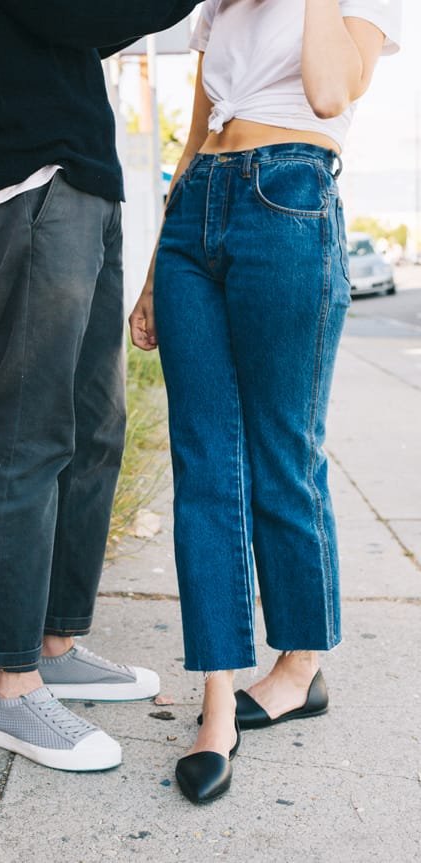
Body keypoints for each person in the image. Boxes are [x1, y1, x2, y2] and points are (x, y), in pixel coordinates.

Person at [0, 0, 200, 773]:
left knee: (94, 428)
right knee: (27, 431)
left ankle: (54, 641)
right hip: (26, 170)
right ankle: (10, 682)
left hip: (77, 171)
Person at [130, 0, 401, 803]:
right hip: (195, 218)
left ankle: (300, 665)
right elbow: (194, 138)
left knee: (284, 454)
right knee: (204, 464)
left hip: (289, 198)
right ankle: (216, 705)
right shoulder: (220, 10)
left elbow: (327, 93)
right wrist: (155, 266)